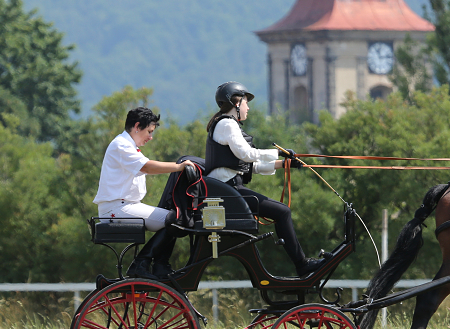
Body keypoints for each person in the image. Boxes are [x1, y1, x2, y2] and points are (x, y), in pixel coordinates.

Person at [205, 81, 322, 277]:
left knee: (282, 212)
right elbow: (247, 154)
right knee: (282, 212)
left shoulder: (226, 125)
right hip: (229, 192)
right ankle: (302, 265)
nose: (248, 107)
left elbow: (250, 165)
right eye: (245, 102)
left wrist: (285, 164)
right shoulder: (227, 124)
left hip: (230, 190)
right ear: (236, 103)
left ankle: (301, 263)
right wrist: (278, 153)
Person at [93, 107, 194, 279]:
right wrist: (179, 167)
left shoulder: (128, 146)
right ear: (137, 126)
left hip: (124, 207)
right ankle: (142, 263)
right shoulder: (121, 145)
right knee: (177, 221)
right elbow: (146, 167)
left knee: (176, 219)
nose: (150, 137)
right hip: (117, 209)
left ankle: (159, 265)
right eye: (149, 131)